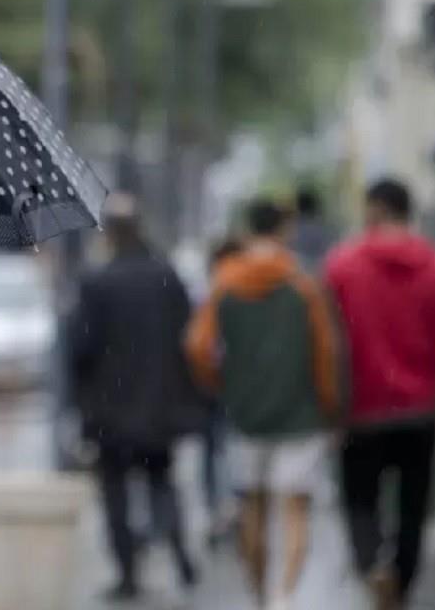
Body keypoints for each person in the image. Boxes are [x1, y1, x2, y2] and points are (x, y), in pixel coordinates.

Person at [325, 178, 435, 610]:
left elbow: (323, 345)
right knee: (413, 505)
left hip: (360, 410)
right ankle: (402, 583)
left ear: (373, 210)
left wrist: (326, 408)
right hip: (420, 411)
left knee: (359, 499)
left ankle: (372, 564)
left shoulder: (341, 266)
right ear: (408, 212)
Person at [187, 198, 340, 610]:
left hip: (244, 415)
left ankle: (257, 592)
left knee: (250, 505)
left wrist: (221, 384)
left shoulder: (225, 283)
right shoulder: (303, 284)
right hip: (299, 415)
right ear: (285, 230)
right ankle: (284, 596)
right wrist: (329, 405)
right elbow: (324, 351)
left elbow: (198, 346)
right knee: (294, 510)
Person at [71, 193, 203, 602]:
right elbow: (190, 338)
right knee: (162, 481)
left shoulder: (97, 282)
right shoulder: (168, 275)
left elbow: (81, 349)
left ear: (109, 233)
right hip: (161, 407)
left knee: (116, 495)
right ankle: (181, 555)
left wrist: (81, 402)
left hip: (111, 413)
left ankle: (128, 574)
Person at [199, 236, 244, 550]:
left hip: (214, 386)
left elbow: (198, 344)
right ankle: (237, 506)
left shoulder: (213, 290)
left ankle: (220, 509)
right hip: (246, 388)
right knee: (235, 447)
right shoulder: (250, 288)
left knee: (215, 448)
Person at [291, 186, 336, 273]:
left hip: (299, 276)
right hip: (323, 273)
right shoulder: (327, 228)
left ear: (297, 207)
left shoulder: (291, 229)